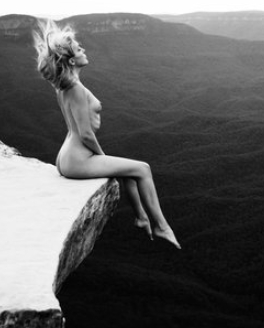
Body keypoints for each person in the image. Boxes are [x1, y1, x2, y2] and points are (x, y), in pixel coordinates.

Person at [33, 19, 180, 249]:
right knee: (143, 168)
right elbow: (85, 134)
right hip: (78, 159)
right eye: (79, 49)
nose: (84, 49)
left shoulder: (64, 86)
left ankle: (142, 218)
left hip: (67, 157)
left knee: (129, 171)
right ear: (71, 60)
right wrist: (101, 156)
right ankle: (162, 226)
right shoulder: (75, 89)